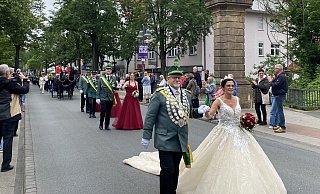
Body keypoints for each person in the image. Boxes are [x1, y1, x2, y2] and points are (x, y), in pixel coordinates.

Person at [174, 78, 287, 193]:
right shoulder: (218, 101)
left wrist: (245, 120)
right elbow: (209, 116)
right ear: (223, 88)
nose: (230, 88)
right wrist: (205, 111)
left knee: (246, 158)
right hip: (223, 131)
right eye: (228, 86)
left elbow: (237, 114)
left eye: (232, 86)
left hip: (239, 131)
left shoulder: (237, 99)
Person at [140, 64, 210, 194]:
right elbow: (150, 116)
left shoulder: (186, 95)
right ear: (168, 79)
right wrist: (146, 135)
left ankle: (172, 191)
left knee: (175, 170)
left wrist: (198, 111)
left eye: (179, 78)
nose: (177, 80)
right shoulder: (160, 95)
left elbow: (187, 113)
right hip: (164, 139)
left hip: (180, 139)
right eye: (174, 78)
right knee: (168, 170)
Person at [0, 64, 30, 172]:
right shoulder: (9, 84)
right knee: (7, 140)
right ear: (7, 73)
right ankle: (5, 165)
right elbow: (24, 90)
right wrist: (24, 79)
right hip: (8, 116)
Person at [268, 64, 288, 133]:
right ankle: (280, 125)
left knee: (280, 111)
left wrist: (270, 81)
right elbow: (275, 84)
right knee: (279, 111)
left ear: (279, 69)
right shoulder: (279, 76)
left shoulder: (281, 76)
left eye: (275, 68)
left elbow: (276, 85)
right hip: (277, 95)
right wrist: (273, 80)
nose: (274, 70)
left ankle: (282, 126)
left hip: (280, 95)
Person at [96, 65, 117, 130]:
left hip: (110, 98)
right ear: (105, 71)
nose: (108, 71)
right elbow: (98, 89)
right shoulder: (101, 79)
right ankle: (101, 124)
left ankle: (107, 125)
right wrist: (98, 97)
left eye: (109, 70)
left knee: (108, 112)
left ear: (111, 71)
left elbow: (115, 86)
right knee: (103, 111)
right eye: (107, 69)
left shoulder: (113, 78)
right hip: (103, 98)